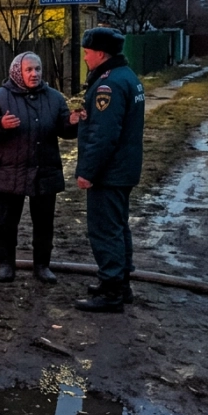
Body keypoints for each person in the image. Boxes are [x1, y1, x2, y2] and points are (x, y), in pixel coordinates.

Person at [0, 52, 79, 284]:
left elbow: (64, 129)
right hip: (10, 171)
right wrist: (0, 124)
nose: (34, 74)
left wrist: (72, 123)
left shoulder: (54, 98)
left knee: (44, 223)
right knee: (6, 222)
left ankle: (42, 266)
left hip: (45, 170)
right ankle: (6, 266)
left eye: (38, 69)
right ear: (17, 72)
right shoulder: (0, 97)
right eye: (29, 70)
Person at [73, 27, 144, 313]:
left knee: (105, 230)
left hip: (110, 172)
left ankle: (111, 290)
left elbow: (104, 135)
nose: (86, 58)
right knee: (118, 226)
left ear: (101, 53)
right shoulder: (128, 77)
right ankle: (119, 283)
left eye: (87, 53)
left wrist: (87, 171)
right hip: (123, 168)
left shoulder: (108, 85)